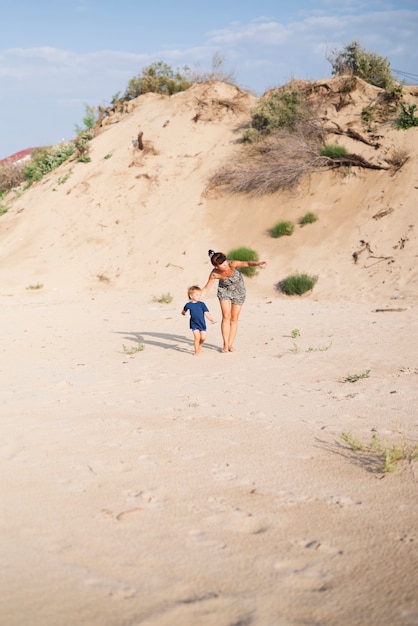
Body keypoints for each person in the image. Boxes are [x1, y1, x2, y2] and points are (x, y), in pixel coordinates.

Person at [200, 250, 267, 353]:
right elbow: (206, 289)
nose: (225, 264)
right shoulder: (214, 274)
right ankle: (225, 345)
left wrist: (257, 264)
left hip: (239, 292)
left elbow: (247, 263)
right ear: (216, 266)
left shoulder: (232, 264)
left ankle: (230, 344)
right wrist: (196, 297)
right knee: (226, 316)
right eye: (221, 264)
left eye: (225, 261)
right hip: (224, 291)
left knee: (234, 318)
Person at [181, 285, 216, 356]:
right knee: (197, 337)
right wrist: (183, 313)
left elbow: (206, 312)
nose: (199, 296)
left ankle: (200, 344)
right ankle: (196, 351)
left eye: (200, 295)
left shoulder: (202, 304)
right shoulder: (188, 305)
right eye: (197, 295)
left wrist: (211, 318)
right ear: (191, 296)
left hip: (202, 323)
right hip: (194, 324)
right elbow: (184, 310)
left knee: (203, 338)